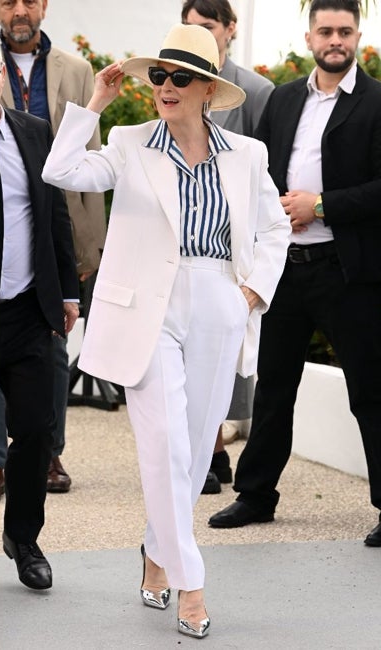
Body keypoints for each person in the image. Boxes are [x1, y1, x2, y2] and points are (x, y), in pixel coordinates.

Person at [41, 24, 290, 637]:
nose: (166, 87)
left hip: (219, 303)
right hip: (144, 312)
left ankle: (157, 550)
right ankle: (192, 583)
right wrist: (95, 102)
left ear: (208, 89)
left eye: (180, 77)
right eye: (158, 75)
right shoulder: (128, 143)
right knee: (166, 446)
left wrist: (251, 294)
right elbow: (61, 170)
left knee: (195, 446)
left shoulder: (247, 155)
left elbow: (274, 229)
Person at [209, 0, 381, 550]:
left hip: (347, 272)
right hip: (285, 268)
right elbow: (257, 173)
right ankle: (256, 495)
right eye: (326, 31)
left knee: (371, 393)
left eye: (345, 31)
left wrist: (323, 205)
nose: (336, 40)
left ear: (358, 35)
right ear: (309, 36)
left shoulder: (377, 102)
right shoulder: (283, 100)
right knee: (273, 388)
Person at [0, 0, 106, 493]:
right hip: (3, 223)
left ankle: (49, 455)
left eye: (29, 1)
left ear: (43, 7)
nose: (19, 9)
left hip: (57, 224)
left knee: (54, 347)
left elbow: (91, 155)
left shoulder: (77, 70)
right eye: (7, 1)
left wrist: (90, 245)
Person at [181, 0, 275, 495]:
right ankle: (210, 451)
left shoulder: (256, 91)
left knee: (227, 361)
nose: (200, 34)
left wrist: (256, 275)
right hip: (188, 253)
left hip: (238, 247)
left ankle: (215, 448)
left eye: (208, 26)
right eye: (190, 27)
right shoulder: (173, 86)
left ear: (230, 29)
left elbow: (266, 173)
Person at [0, 42, 80, 591]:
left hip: (31, 307)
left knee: (35, 429)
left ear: (3, 72)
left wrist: (68, 292)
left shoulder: (33, 132)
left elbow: (55, 217)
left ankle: (24, 539)